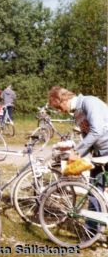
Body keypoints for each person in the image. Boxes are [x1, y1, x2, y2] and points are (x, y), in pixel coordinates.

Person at [48, 86, 107, 231]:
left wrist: (76, 151)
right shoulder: (77, 113)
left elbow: (97, 131)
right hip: (100, 153)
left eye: (58, 106)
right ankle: (92, 230)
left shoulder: (89, 102)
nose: (59, 111)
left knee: (97, 190)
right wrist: (75, 151)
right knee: (94, 191)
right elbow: (87, 137)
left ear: (62, 99)